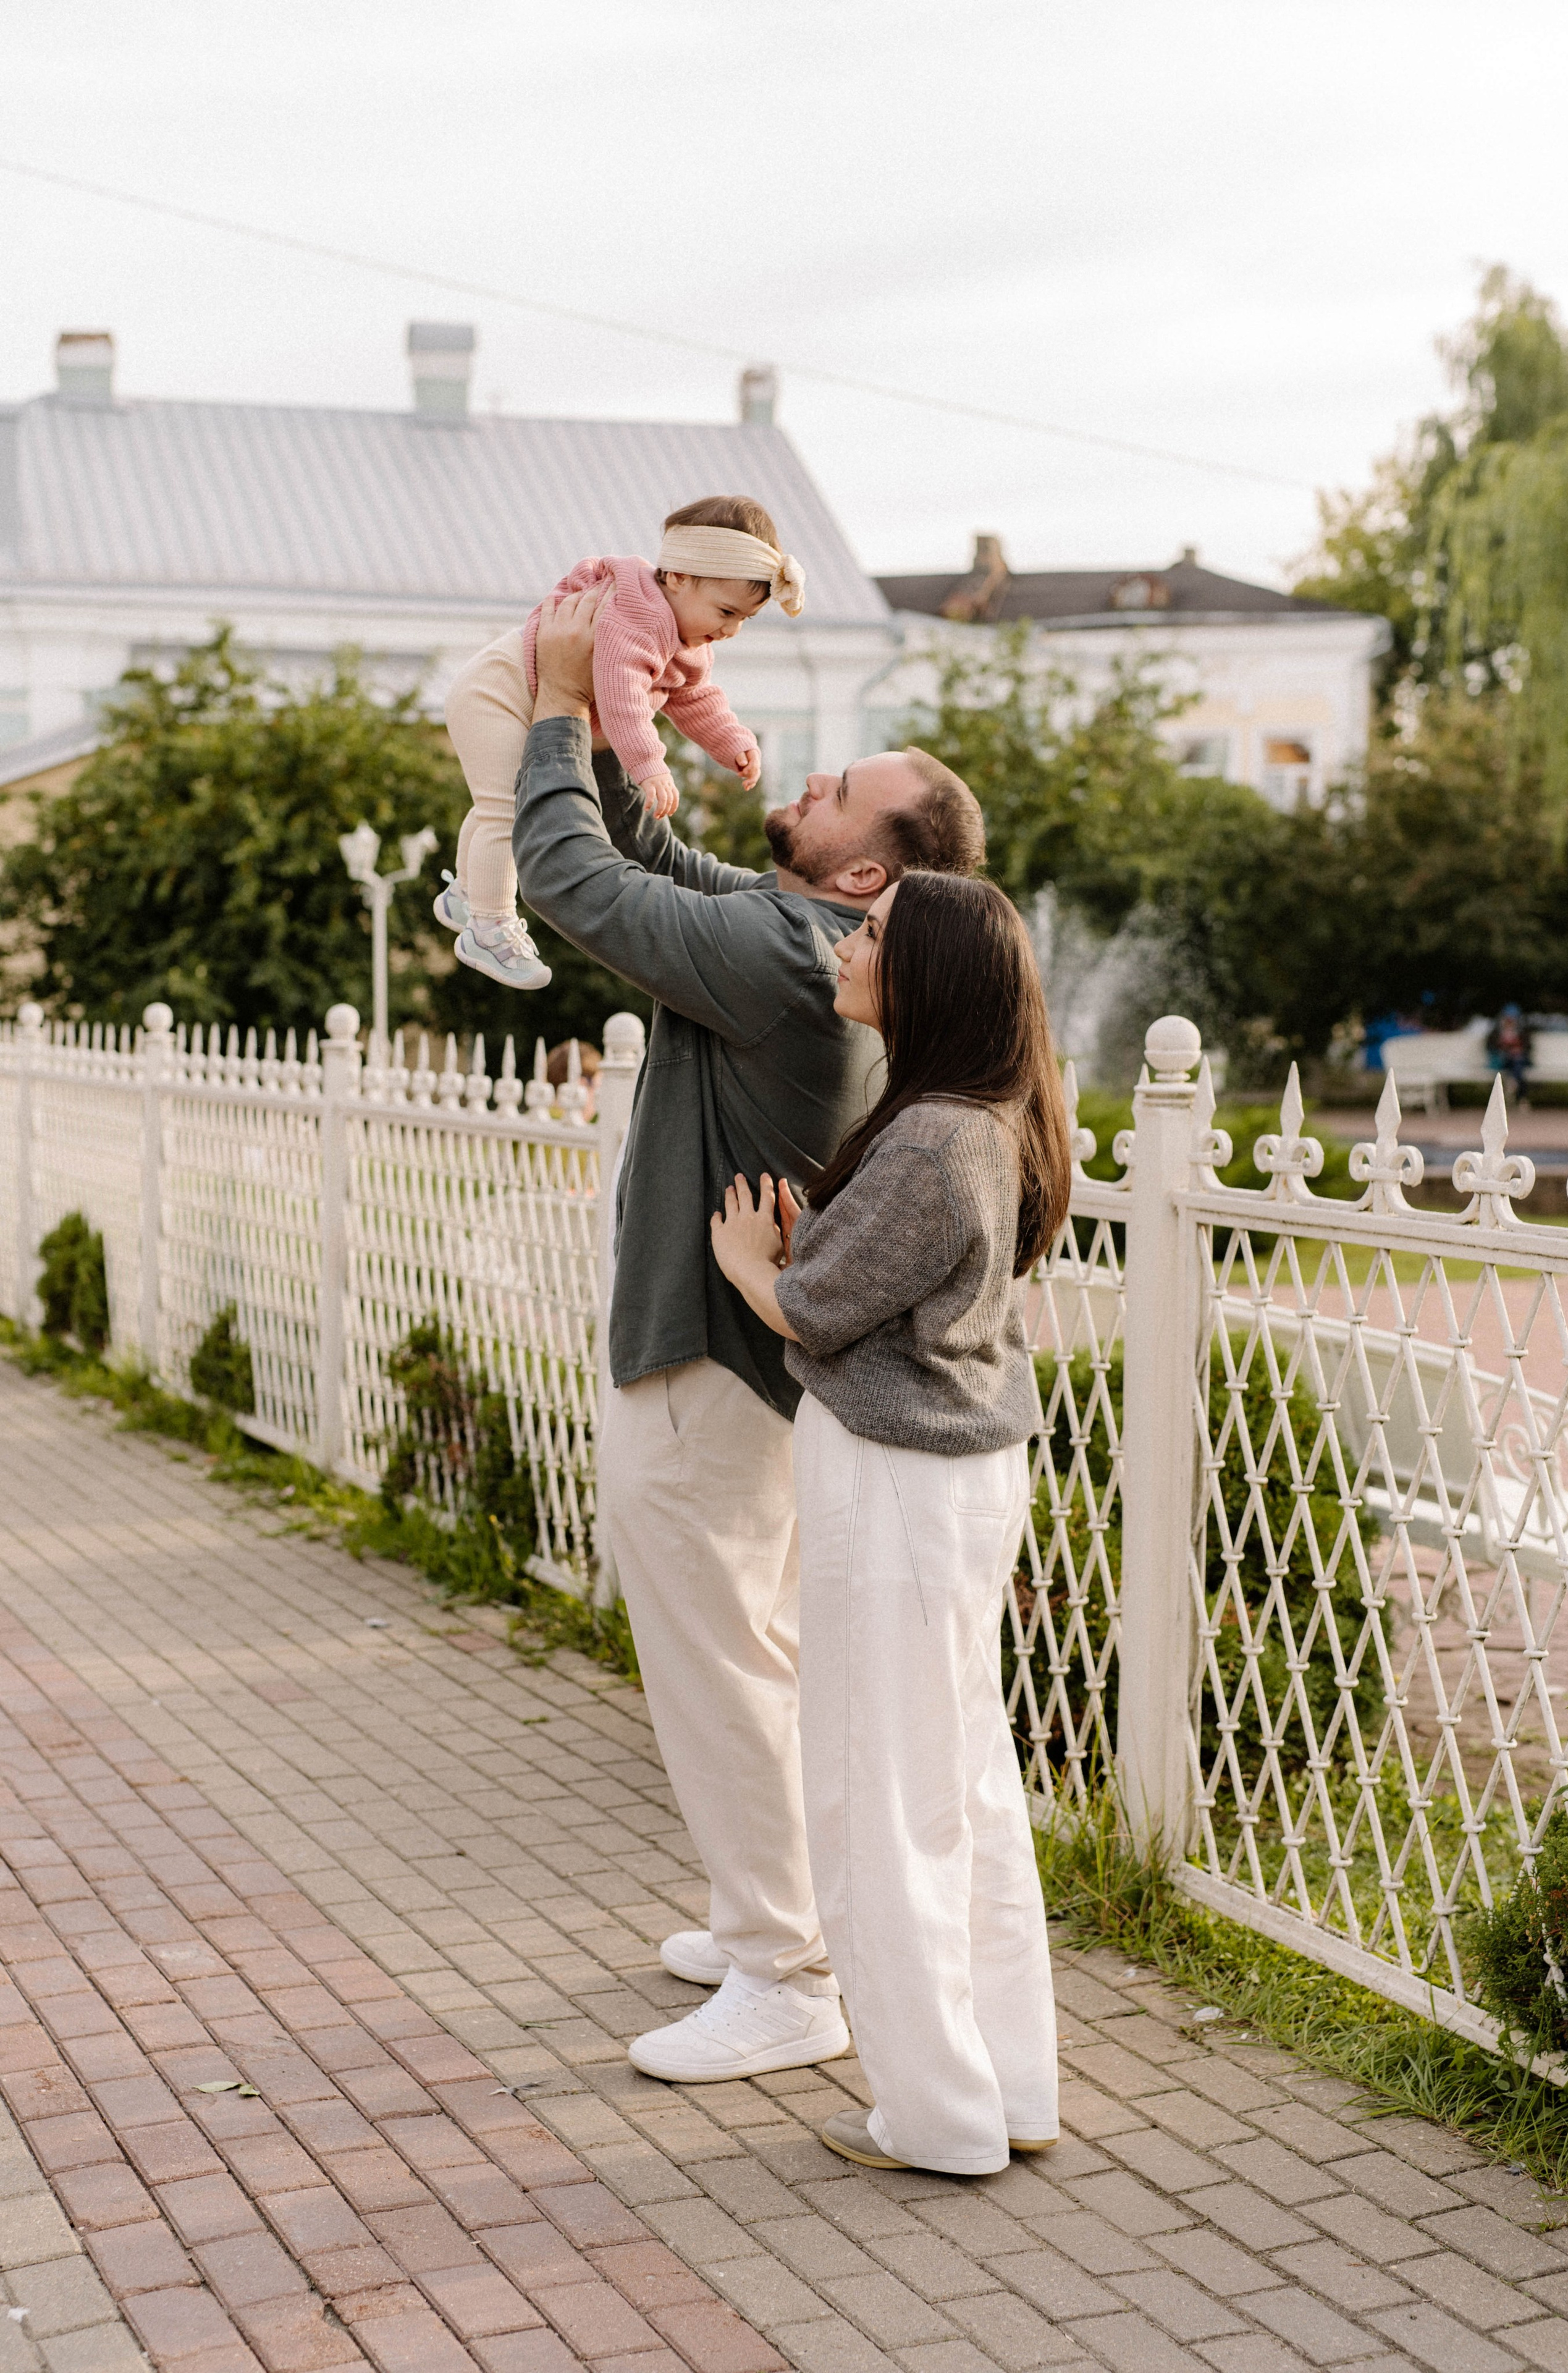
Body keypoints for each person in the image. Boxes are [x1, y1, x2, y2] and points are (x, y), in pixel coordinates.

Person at [494, 583, 987, 2083]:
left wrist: (553, 704)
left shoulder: (786, 953)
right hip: (743, 1372)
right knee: (754, 1656)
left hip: (704, 1368)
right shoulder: (803, 932)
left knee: (720, 1673)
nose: (811, 775)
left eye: (841, 789)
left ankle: (784, 1973)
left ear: (862, 870)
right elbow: (645, 860)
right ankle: (770, 1918)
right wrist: (621, 722)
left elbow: (569, 880)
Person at [710, 870, 1068, 2174]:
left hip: (896, 1480)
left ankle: (934, 2116)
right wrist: (817, 1247)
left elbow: (814, 1310)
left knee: (878, 1797)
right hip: (953, 1480)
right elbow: (888, 1280)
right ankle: (1005, 2091)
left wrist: (751, 1263)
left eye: (869, 932)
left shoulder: (929, 1139)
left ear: (927, 974)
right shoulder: (983, 1118)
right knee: (959, 1786)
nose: (845, 944)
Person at [438, 495, 805, 990]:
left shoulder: (685, 637)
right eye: (725, 611)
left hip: (519, 699)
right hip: (496, 693)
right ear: (679, 577)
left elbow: (694, 696)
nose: (732, 630)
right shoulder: (636, 614)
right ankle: (488, 926)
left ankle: (465, 895)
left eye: (745, 619)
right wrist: (649, 765)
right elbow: (621, 695)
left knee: (495, 804)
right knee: (507, 811)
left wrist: (732, 741)